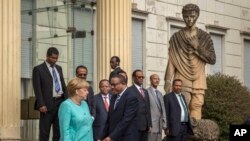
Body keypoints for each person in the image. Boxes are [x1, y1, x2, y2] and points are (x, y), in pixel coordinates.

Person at [164, 3, 216, 120]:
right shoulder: (176, 38)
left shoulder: (204, 37)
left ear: (197, 16)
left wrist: (198, 47)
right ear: (183, 16)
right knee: (182, 104)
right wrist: (168, 80)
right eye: (186, 16)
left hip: (199, 78)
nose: (189, 19)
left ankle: (194, 133)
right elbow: (172, 61)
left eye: (192, 16)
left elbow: (212, 59)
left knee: (197, 105)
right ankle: (181, 132)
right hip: (182, 76)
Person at [32, 47, 68, 141]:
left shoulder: (59, 68)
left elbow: (63, 85)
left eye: (56, 58)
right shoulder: (38, 69)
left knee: (58, 131)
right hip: (47, 104)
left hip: (60, 103)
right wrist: (41, 104)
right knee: (44, 132)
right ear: (47, 56)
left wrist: (67, 101)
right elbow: (37, 88)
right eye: (52, 58)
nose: (54, 60)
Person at [103, 75, 139, 141]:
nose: (112, 87)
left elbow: (126, 120)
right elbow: (109, 119)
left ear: (123, 84)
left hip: (127, 137)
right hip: (114, 136)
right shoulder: (114, 96)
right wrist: (102, 136)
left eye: (114, 85)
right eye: (111, 85)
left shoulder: (132, 96)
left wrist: (111, 137)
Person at [129, 70, 152, 141]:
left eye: (143, 77)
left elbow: (148, 108)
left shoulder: (145, 91)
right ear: (134, 78)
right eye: (139, 77)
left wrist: (149, 124)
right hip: (135, 126)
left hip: (145, 126)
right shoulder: (129, 90)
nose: (141, 78)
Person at [147, 74, 167, 141]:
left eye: (158, 79)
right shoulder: (147, 92)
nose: (157, 80)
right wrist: (148, 124)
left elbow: (163, 109)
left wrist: (164, 123)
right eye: (155, 79)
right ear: (150, 80)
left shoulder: (160, 93)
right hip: (151, 126)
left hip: (159, 125)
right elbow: (145, 110)